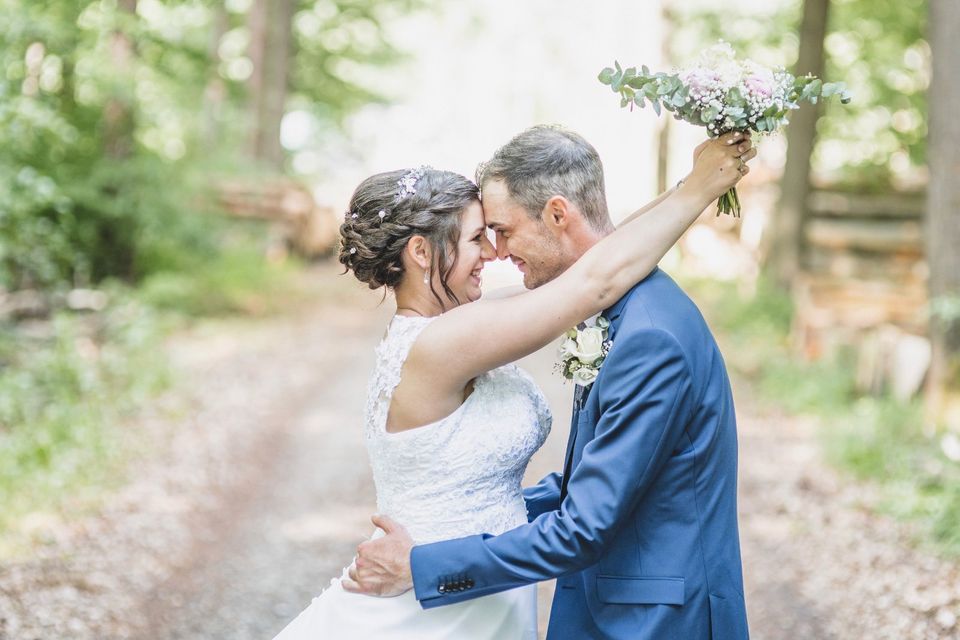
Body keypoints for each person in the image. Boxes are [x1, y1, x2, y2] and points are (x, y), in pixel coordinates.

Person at [272, 126, 755, 640]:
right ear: (420, 252)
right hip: (434, 602)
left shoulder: (458, 327)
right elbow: (595, 281)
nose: (494, 253)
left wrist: (691, 184)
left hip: (470, 586)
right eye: (478, 237)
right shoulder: (444, 342)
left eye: (495, 232)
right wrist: (699, 189)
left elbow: (598, 258)